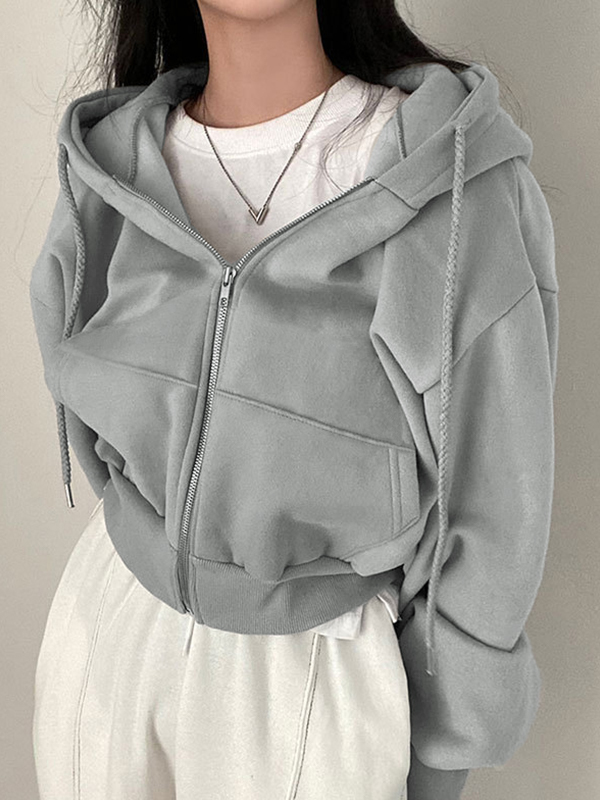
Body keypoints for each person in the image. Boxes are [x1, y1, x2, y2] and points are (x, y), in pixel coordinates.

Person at [29, 1, 559, 798]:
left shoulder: (448, 178)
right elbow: (85, 402)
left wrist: (445, 749)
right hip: (110, 631)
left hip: (315, 672)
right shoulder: (111, 165)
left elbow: (493, 506)